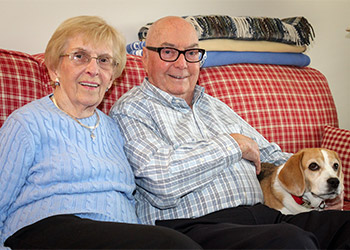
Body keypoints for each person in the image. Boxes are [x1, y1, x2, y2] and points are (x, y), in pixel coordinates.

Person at [110, 16, 350, 249]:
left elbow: (271, 154)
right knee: (289, 241)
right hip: (192, 227)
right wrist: (233, 145)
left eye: (192, 53)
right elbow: (159, 178)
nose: (182, 64)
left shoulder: (214, 106)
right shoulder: (132, 109)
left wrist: (321, 181)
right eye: (168, 52)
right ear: (144, 57)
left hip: (262, 216)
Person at [0, 16, 202, 250]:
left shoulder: (114, 129)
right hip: (46, 231)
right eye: (80, 57)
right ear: (54, 68)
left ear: (112, 78)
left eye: (104, 60)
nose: (93, 70)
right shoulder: (27, 124)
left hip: (115, 236)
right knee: (174, 246)